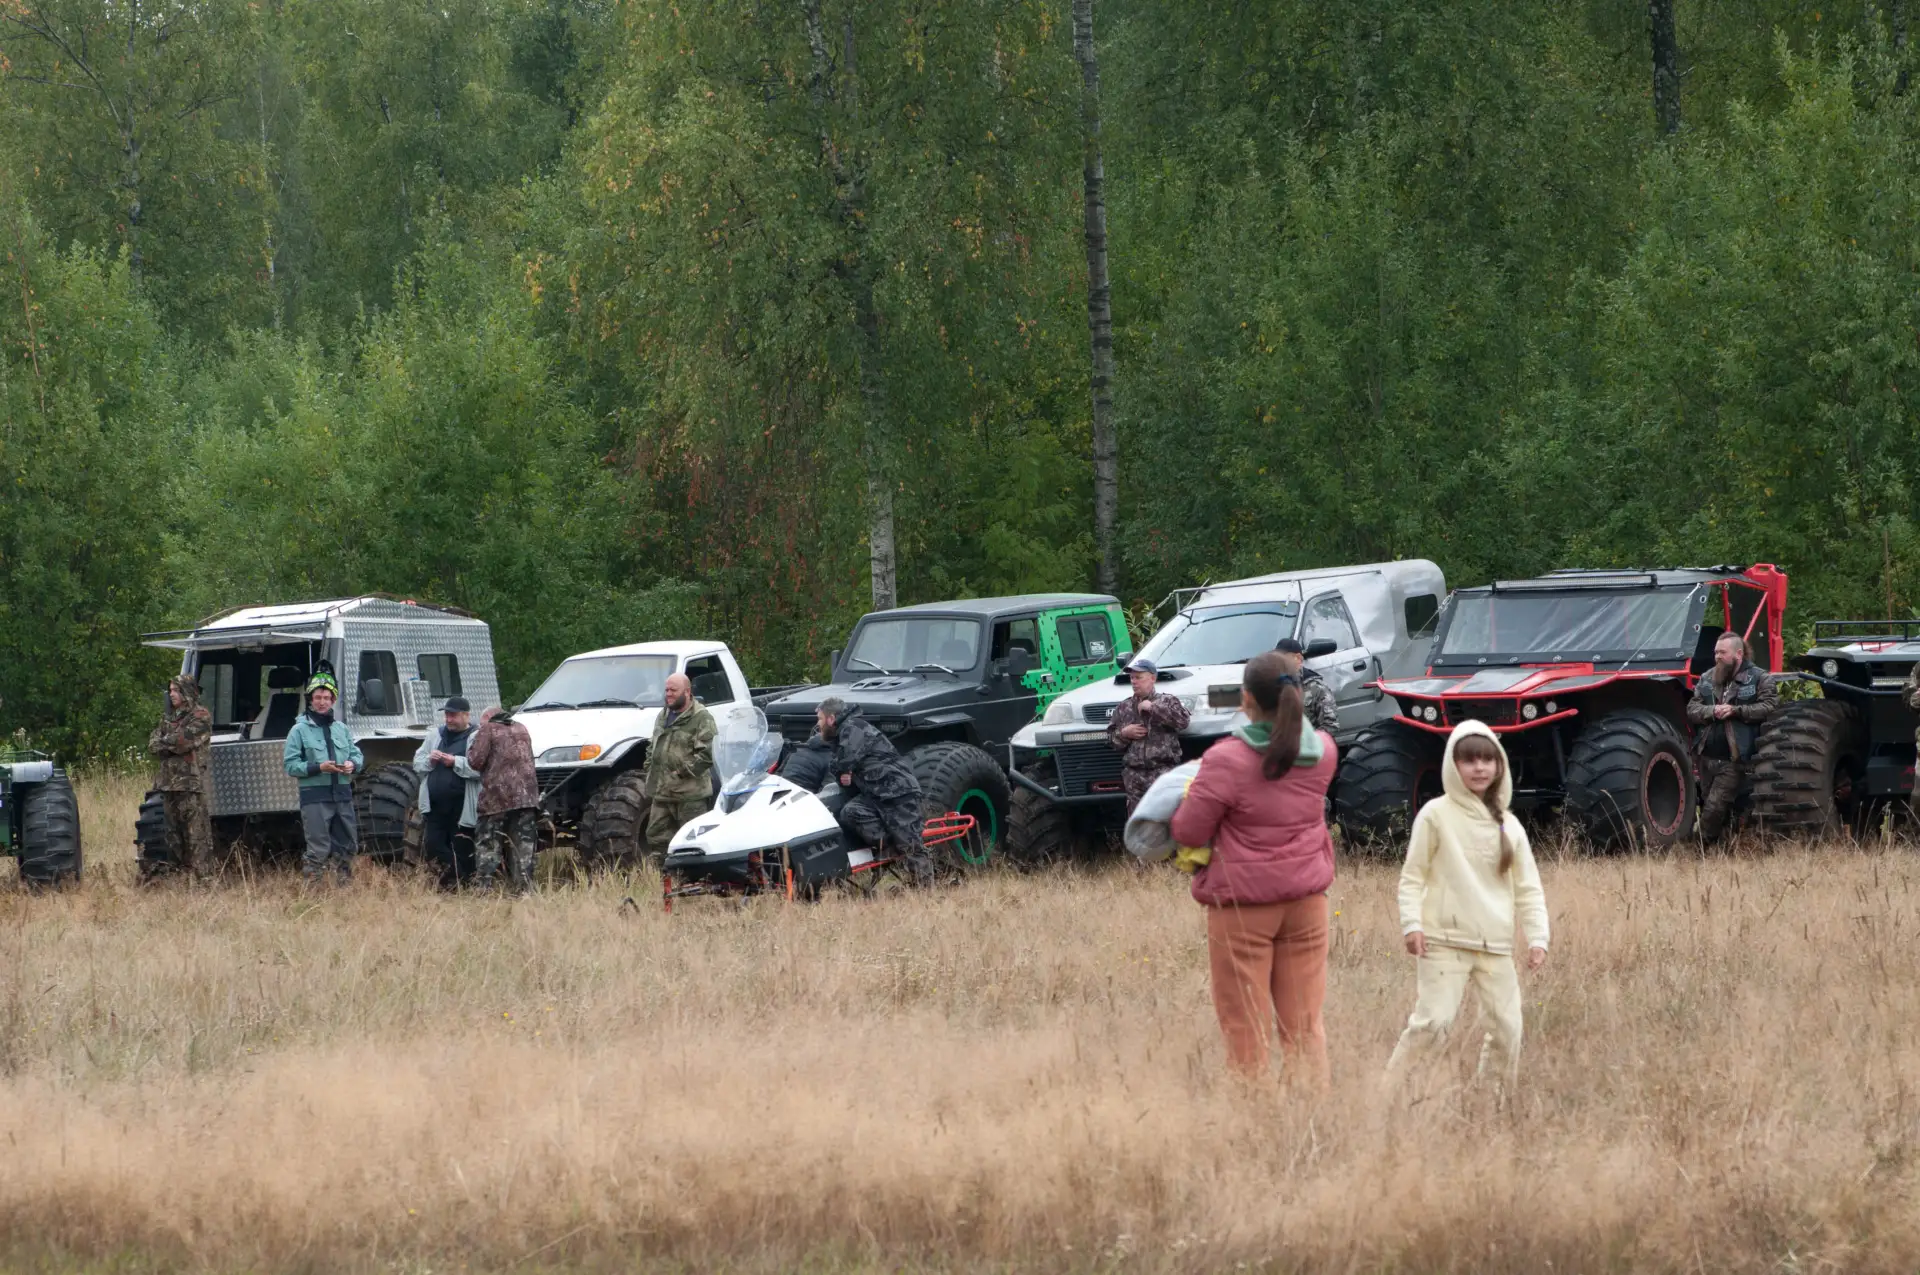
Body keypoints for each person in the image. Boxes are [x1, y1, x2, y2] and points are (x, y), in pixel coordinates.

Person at [1168, 651, 1338, 1084]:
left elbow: (1188, 830)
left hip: (1243, 909)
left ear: (1245, 699)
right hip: (1307, 903)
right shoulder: (1324, 751)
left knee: (1246, 1027)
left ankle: (1255, 1115)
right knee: (1305, 1026)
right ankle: (1314, 1113)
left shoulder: (1227, 759)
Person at [1386, 721, 1550, 1089]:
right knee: (1433, 1024)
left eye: (1487, 760)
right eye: (1470, 760)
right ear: (1453, 765)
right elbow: (1412, 877)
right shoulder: (1435, 814)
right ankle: (1390, 1092)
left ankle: (1491, 1096)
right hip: (1443, 941)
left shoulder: (1510, 826)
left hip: (1495, 943)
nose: (1479, 768)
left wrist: (1538, 938)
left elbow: (1529, 889)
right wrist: (1412, 924)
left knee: (1508, 1028)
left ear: (1499, 765)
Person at [817, 696, 936, 885]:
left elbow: (846, 760)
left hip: (896, 792)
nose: (818, 724)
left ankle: (926, 890)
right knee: (852, 811)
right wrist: (844, 774)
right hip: (876, 794)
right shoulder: (843, 734)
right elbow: (845, 769)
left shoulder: (854, 727)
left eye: (820, 719)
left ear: (831, 718)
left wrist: (844, 770)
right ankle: (890, 848)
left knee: (911, 845)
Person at [1686, 632, 1778, 841]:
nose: (1717, 656)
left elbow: (1770, 706)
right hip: (1706, 755)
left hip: (1735, 758)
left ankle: (1696, 849)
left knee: (1714, 807)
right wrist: (1712, 711)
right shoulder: (1707, 678)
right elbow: (1692, 708)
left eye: (1722, 652)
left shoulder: (1759, 678)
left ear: (1738, 654)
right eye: (1716, 652)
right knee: (1712, 806)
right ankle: (1723, 849)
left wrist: (1736, 711)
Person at [282, 670, 364, 884]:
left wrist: (352, 764)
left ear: (333, 700)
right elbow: (290, 766)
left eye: (327, 698)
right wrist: (319, 768)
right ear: (310, 700)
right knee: (318, 848)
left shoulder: (342, 729)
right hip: (315, 797)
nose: (322, 702)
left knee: (348, 845)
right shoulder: (298, 730)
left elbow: (356, 755)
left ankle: (344, 891)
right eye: (317, 697)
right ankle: (312, 892)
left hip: (342, 795)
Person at [641, 673, 717, 863]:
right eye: (666, 690)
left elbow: (707, 755)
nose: (668, 694)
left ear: (687, 692)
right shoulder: (663, 715)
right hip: (661, 793)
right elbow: (652, 745)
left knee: (693, 842)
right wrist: (649, 766)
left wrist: (680, 773)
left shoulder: (702, 718)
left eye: (673, 690)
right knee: (656, 839)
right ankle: (663, 876)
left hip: (690, 796)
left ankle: (693, 877)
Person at [147, 674, 215, 877]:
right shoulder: (168, 718)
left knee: (196, 838)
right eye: (170, 690)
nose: (171, 694)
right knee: (171, 838)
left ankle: (203, 881)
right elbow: (152, 744)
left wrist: (166, 742)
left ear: (187, 692)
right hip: (166, 787)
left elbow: (182, 742)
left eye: (176, 690)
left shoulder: (201, 716)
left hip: (189, 787)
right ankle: (177, 880)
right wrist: (168, 743)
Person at [1106, 657, 1191, 816]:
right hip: (1134, 776)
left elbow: (1183, 722)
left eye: (1139, 677)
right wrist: (1124, 733)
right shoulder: (1124, 707)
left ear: (1152, 678)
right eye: (1132, 678)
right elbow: (1111, 741)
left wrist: (1153, 708)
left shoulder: (1168, 701)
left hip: (1163, 773)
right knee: (1139, 823)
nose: (1134, 682)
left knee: (1166, 820)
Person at [469, 705, 540, 894]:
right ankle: (525, 890)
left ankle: (484, 889)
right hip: (527, 797)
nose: (480, 726)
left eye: (482, 722)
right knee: (523, 846)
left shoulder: (488, 729)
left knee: (488, 844)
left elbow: (475, 761)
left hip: (497, 798)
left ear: (488, 717)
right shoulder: (521, 728)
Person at [413, 697, 481, 889]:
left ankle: (464, 886)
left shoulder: (476, 736)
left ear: (466, 715)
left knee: (462, 847)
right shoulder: (435, 735)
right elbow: (417, 763)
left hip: (462, 805)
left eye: (453, 715)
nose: (449, 720)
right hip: (435, 805)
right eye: (447, 715)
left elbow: (481, 769)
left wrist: (455, 761)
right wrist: (430, 760)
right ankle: (453, 881)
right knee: (433, 845)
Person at [1275, 638, 1338, 734]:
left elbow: (1330, 726)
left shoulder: (1316, 687)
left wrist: (1309, 740)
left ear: (1298, 659)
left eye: (1283, 659)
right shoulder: (1274, 686)